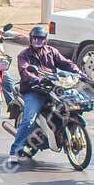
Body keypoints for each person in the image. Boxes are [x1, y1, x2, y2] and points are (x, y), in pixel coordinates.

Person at [7, 25, 86, 165]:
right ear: (31, 39)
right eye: (35, 38)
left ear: (45, 40)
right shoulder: (24, 55)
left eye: (41, 39)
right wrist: (36, 78)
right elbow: (25, 71)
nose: (38, 41)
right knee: (29, 120)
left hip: (53, 88)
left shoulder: (51, 51)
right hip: (34, 89)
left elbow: (66, 63)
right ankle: (14, 151)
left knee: (73, 104)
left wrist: (79, 72)